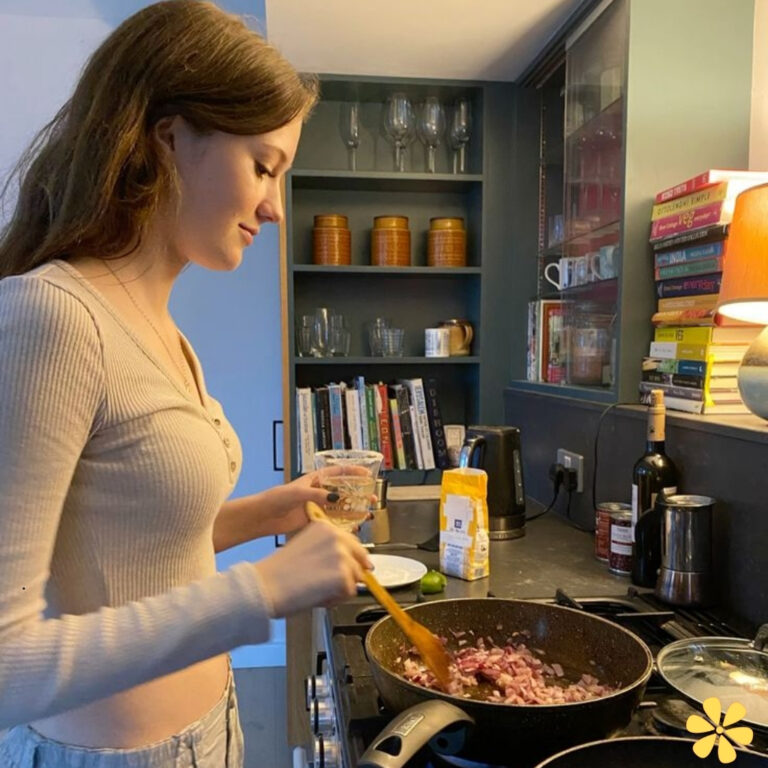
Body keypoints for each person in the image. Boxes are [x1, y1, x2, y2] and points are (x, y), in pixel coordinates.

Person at [0, 2, 371, 766]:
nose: (274, 206)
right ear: (169, 137)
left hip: (211, 727)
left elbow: (134, 552)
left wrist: (268, 511)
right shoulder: (52, 317)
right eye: (263, 166)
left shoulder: (163, 328)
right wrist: (260, 592)